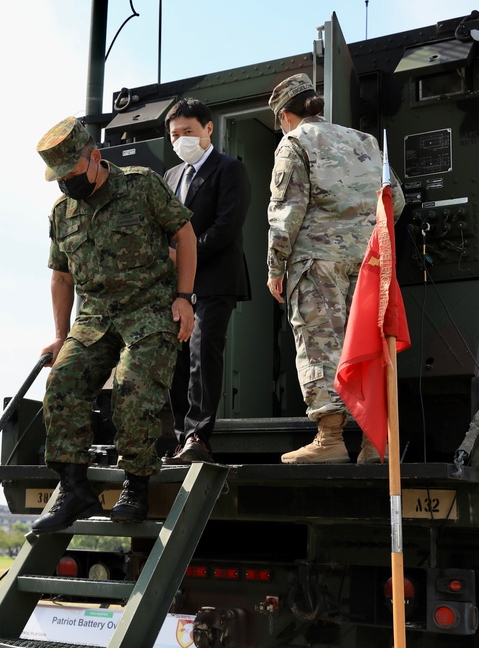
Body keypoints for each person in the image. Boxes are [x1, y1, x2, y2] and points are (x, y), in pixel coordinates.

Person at [31, 116, 197, 533]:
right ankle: (73, 488)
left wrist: (184, 298)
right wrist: (59, 336)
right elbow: (61, 276)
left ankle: (136, 486)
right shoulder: (61, 212)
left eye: (72, 173)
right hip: (94, 320)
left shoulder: (141, 185)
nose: (66, 184)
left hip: (149, 311)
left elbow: (186, 235)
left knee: (132, 384)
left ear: (95, 158)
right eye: (60, 178)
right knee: (63, 380)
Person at [265, 74, 404, 465]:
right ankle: (377, 444)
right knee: (367, 345)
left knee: (321, 344)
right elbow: (397, 200)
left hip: (316, 260)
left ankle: (330, 439)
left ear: (285, 116)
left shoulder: (293, 143)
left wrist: (275, 267)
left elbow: (285, 213)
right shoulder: (367, 142)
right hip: (369, 263)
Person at [161, 98, 251, 465]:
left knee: (202, 352)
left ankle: (198, 434)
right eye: (174, 134)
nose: (181, 139)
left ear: (208, 129)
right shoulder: (170, 177)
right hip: (177, 287)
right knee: (177, 361)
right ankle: (181, 437)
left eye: (188, 131)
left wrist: (183, 255)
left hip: (215, 279)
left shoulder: (230, 170)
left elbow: (226, 229)